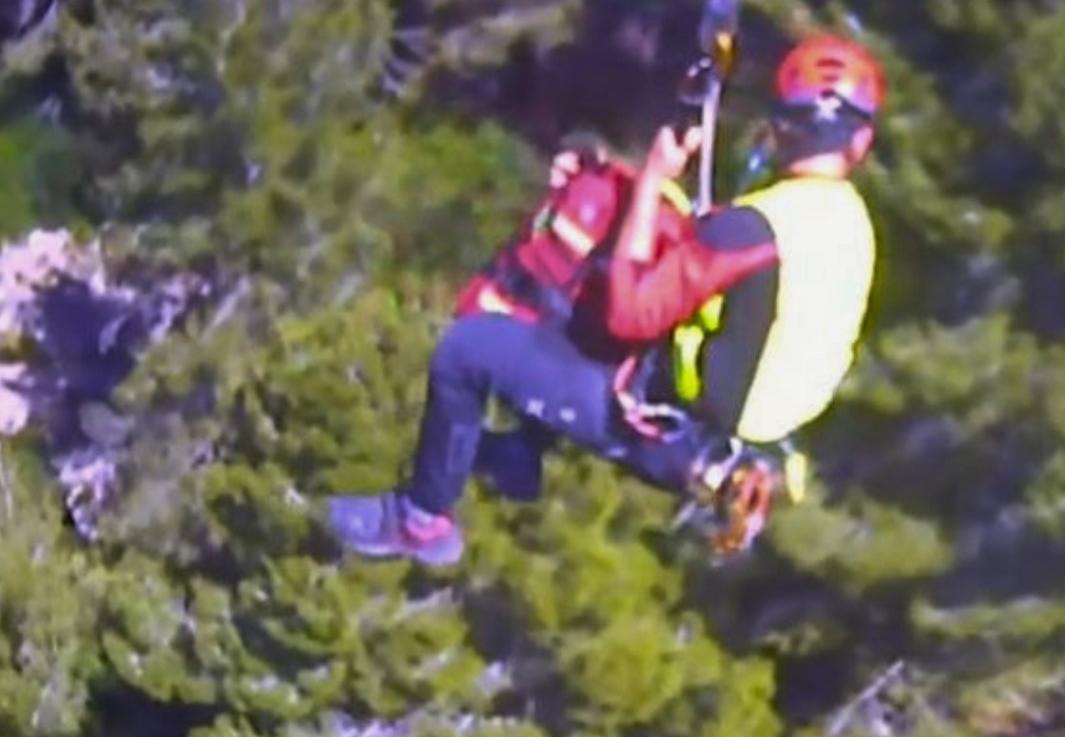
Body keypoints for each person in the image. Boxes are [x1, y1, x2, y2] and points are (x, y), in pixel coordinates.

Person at [328, 32, 886, 567]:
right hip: (751, 437)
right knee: (581, 295)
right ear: (859, 143)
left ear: (781, 128)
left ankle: (421, 520)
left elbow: (630, 313)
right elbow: (722, 262)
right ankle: (522, 454)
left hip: (672, 432)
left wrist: (652, 179)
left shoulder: (754, 226)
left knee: (465, 351)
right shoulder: (847, 223)